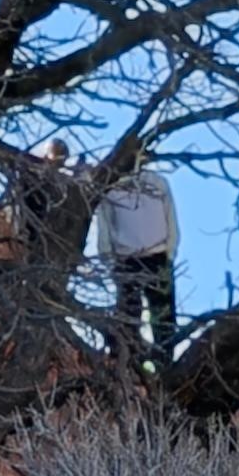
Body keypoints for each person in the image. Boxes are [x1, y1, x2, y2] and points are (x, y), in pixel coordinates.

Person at [89, 151, 179, 365]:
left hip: (157, 257)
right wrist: (109, 261)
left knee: (163, 316)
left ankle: (164, 364)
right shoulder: (111, 190)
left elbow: (171, 219)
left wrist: (169, 253)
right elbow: (105, 226)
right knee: (128, 315)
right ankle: (128, 363)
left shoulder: (157, 182)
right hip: (126, 260)